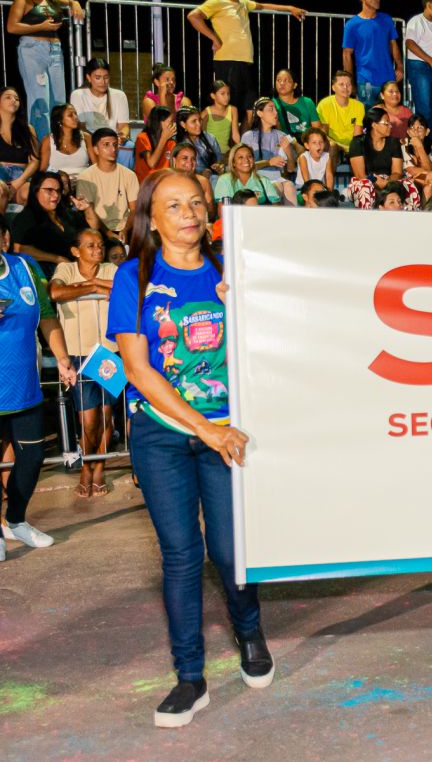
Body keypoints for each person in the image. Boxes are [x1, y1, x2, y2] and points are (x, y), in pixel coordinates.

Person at [106, 169, 273, 727]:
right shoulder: (134, 275)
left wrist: (244, 307)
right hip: (162, 434)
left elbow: (268, 343)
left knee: (230, 550)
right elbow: (138, 370)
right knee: (181, 555)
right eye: (174, 205)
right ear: (151, 218)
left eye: (196, 203)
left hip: (228, 432)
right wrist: (206, 429)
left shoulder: (230, 270)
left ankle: (249, 631)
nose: (189, 214)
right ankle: (190, 677)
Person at [0, 213, 78, 562]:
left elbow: (47, 317)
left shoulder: (26, 268)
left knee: (31, 458)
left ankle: (16, 520)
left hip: (23, 387)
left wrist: (62, 358)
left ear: (4, 238)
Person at [49, 227, 118, 498]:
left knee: (106, 416)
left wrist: (88, 286)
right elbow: (55, 292)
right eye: (90, 245)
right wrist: (94, 287)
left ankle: (98, 469)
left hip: (109, 352)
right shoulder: (66, 269)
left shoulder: (111, 269)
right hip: (77, 353)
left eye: (100, 245)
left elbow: (125, 289)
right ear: (75, 251)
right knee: (88, 420)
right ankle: (86, 466)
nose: (98, 249)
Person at [188, 0, 306, 127]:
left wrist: (290, 8)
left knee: (251, 108)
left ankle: (242, 140)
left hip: (246, 63)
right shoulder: (217, 2)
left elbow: (263, 6)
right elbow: (193, 16)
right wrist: (214, 38)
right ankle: (226, 139)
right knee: (229, 107)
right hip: (228, 61)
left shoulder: (243, 3)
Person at [7, 0, 82, 141]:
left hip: (55, 51)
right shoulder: (23, 0)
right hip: (33, 50)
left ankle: (60, 143)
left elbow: (70, 2)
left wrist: (75, 3)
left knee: (59, 101)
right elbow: (12, 27)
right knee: (40, 101)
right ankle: (41, 145)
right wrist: (41, 26)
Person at [12, 170, 94, 275]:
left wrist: (88, 209)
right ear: (36, 191)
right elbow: (20, 249)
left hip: (77, 267)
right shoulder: (26, 218)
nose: (55, 195)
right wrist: (57, 259)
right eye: (49, 190)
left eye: (58, 191)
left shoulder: (67, 214)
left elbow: (91, 232)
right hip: (47, 271)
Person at [343, 0, 401, 108]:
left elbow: (393, 44)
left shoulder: (386, 19)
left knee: (390, 114)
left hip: (388, 78)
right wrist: (349, 81)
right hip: (365, 80)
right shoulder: (351, 25)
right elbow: (347, 54)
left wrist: (400, 67)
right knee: (368, 115)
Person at [76, 129, 140, 240]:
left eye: (115, 145)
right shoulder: (85, 177)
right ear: (96, 149)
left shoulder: (129, 175)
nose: (113, 149)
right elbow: (89, 213)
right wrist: (109, 234)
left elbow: (134, 209)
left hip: (125, 228)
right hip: (97, 229)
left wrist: (125, 230)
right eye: (106, 145)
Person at [240, 98, 294, 189]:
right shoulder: (249, 136)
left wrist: (288, 152)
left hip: (277, 178)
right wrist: (268, 162)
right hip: (255, 177)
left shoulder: (282, 136)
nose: (276, 113)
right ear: (259, 113)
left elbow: (291, 169)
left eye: (276, 110)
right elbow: (243, 167)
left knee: (290, 187)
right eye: (270, 109)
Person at [0, 86, 39, 210]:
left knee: (31, 193)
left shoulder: (28, 129)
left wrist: (19, 182)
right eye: (8, 97)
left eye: (16, 99)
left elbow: (35, 161)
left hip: (21, 176)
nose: (13, 100)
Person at [315, 71, 366, 163]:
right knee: (332, 146)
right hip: (332, 142)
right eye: (341, 84)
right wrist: (340, 146)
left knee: (362, 147)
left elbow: (357, 135)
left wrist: (351, 148)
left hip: (351, 145)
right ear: (333, 87)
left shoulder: (359, 106)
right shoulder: (325, 104)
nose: (345, 87)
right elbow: (323, 134)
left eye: (348, 84)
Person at [213, 144, 281, 205]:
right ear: (233, 162)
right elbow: (223, 210)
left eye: (249, 156)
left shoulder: (263, 181)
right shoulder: (224, 180)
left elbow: (275, 207)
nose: (246, 160)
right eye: (240, 157)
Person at [348, 107, 403, 183]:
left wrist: (386, 182)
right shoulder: (357, 143)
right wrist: (377, 183)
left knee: (405, 184)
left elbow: (397, 173)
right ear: (374, 125)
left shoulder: (394, 142)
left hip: (388, 182)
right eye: (386, 123)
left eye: (390, 123)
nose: (390, 126)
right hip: (365, 183)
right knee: (364, 187)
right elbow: (360, 176)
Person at [40, 103, 92, 176]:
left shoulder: (86, 137)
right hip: (59, 180)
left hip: (83, 180)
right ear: (59, 120)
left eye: (75, 114)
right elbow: (43, 169)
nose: (75, 117)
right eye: (70, 115)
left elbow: (95, 165)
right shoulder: (48, 140)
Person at [270, 69, 320, 144]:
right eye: (278, 80)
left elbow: (317, 129)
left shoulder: (307, 102)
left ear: (295, 85)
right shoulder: (271, 104)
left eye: (286, 80)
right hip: (285, 142)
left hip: (308, 141)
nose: (282, 83)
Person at [170, 142, 216, 218]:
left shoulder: (203, 182)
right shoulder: (166, 183)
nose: (190, 162)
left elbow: (211, 212)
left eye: (193, 159)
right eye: (185, 158)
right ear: (174, 160)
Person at [176, 106, 224, 178]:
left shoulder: (210, 138)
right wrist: (200, 174)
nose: (199, 124)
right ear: (183, 124)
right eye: (194, 121)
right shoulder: (178, 143)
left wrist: (219, 167)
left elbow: (219, 160)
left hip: (212, 177)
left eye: (200, 120)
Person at [135, 106, 178, 180]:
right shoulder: (143, 138)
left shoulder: (171, 142)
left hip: (165, 181)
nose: (173, 125)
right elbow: (152, 163)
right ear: (161, 122)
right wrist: (163, 139)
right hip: (147, 182)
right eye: (171, 122)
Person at [201, 80, 239, 156]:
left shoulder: (233, 110)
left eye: (228, 94)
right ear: (213, 96)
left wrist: (238, 149)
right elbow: (201, 135)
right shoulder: (206, 112)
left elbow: (235, 134)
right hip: (210, 153)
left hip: (226, 153)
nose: (226, 97)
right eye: (222, 94)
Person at [296, 128, 334, 195]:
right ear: (307, 145)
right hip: (303, 187)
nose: (318, 145)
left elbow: (329, 176)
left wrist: (329, 192)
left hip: (320, 187)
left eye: (321, 142)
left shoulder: (327, 157)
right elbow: (306, 179)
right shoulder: (303, 157)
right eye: (314, 142)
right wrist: (311, 192)